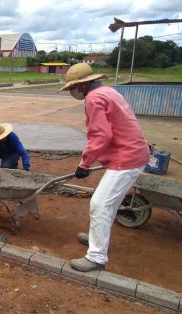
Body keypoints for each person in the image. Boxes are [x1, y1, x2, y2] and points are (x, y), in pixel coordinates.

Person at [58, 63, 150, 272]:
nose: (73, 91)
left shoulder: (94, 98)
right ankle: (95, 239)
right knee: (109, 204)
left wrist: (85, 163)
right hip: (134, 153)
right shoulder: (108, 91)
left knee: (100, 205)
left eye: (73, 87)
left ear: (83, 85)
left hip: (127, 158)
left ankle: (96, 258)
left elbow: (101, 134)